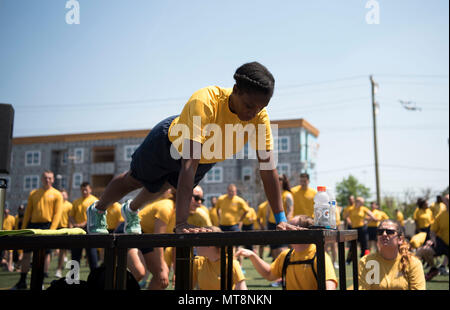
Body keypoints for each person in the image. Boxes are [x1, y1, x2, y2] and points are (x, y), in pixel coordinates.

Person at [86, 62, 298, 235]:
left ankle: (131, 210)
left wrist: (281, 218)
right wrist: (181, 223)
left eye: (261, 107)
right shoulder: (205, 102)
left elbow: (268, 169)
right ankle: (98, 209)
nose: (254, 112)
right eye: (249, 105)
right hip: (169, 143)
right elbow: (188, 164)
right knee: (135, 180)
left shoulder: (259, 117)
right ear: (235, 91)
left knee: (162, 188)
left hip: (206, 157)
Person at [236, 215, 338, 290]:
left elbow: (330, 286)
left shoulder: (319, 256)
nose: (285, 229)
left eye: (290, 226)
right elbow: (269, 274)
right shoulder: (286, 255)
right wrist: (253, 255)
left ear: (303, 231)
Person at [12, 170, 63, 290]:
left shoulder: (57, 194)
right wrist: (23, 229)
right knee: (26, 254)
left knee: (45, 255)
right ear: (41, 179)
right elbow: (28, 212)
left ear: (53, 179)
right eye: (45, 178)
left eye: (50, 178)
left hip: (47, 226)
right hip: (33, 225)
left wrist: (52, 230)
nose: (47, 180)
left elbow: (57, 214)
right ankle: (22, 281)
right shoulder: (33, 193)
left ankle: (41, 281)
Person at [124, 188, 175, 289]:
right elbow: (158, 239)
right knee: (139, 272)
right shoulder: (166, 206)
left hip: (147, 238)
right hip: (131, 232)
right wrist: (161, 268)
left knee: (161, 277)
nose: (199, 202)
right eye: (196, 198)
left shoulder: (185, 215)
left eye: (201, 199)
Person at [358, 219, 426, 290]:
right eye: (380, 232)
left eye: (389, 232)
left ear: (400, 239)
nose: (384, 234)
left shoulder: (413, 263)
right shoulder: (366, 262)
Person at [415, 194, 449, 281]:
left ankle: (443, 266)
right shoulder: (441, 215)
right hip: (442, 243)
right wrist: (432, 240)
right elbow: (433, 231)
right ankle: (433, 269)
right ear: (444, 202)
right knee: (423, 250)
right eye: (447, 200)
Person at [68, 182, 98, 272]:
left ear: (90, 190)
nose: (84, 191)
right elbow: (71, 215)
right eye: (83, 190)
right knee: (75, 256)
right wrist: (75, 224)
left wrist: (83, 223)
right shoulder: (76, 201)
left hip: (90, 230)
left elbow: (95, 215)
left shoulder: (95, 201)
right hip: (77, 231)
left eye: (86, 190)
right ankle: (73, 279)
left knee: (92, 255)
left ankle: (94, 278)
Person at [55, 189, 73, 278]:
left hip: (65, 229)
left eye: (64, 194)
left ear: (67, 196)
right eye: (61, 194)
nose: (62, 196)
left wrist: (70, 229)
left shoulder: (70, 205)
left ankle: (59, 269)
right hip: (55, 228)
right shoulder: (56, 204)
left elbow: (70, 219)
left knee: (62, 250)